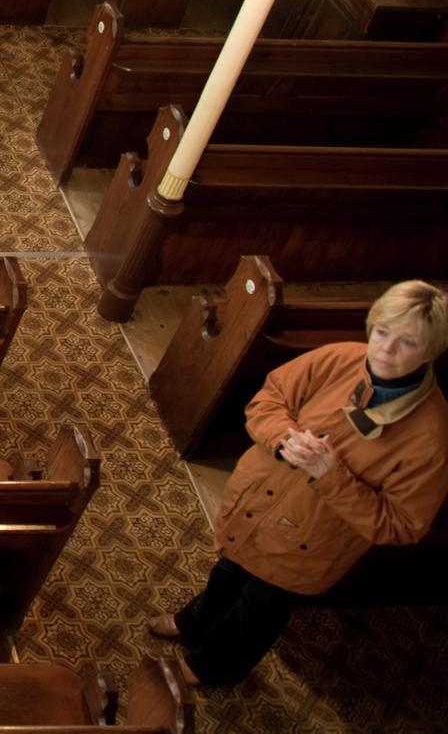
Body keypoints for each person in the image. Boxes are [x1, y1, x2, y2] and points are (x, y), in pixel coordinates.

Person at [147, 280, 448, 687]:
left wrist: (331, 477)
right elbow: (269, 399)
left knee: (258, 610)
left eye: (407, 342)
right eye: (381, 331)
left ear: (431, 351)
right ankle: (194, 621)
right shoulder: (341, 358)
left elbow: (401, 525)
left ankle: (209, 668)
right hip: (257, 502)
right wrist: (284, 437)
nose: (385, 350)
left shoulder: (430, 437)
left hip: (308, 544)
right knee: (228, 569)